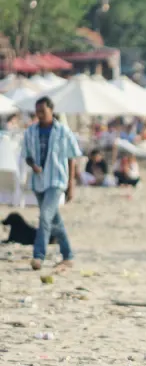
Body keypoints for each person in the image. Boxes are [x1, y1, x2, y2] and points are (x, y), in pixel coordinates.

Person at [22, 96, 82, 271]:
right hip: (39, 181)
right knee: (54, 220)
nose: (39, 115)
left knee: (45, 217)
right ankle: (68, 255)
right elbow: (26, 155)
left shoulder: (63, 131)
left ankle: (38, 256)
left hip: (57, 180)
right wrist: (33, 165)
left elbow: (72, 157)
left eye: (43, 111)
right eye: (37, 112)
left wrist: (71, 184)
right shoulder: (31, 132)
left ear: (51, 110)